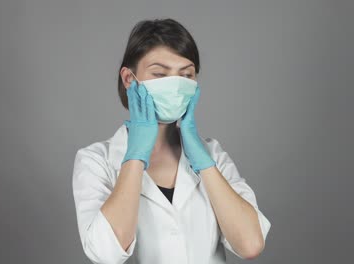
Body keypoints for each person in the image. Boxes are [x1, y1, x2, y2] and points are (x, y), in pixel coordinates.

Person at [72, 18, 271, 264]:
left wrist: (204, 163)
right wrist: (135, 156)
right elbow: (106, 253)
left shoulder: (212, 154)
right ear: (129, 78)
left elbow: (250, 244)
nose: (175, 85)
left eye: (186, 74)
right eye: (159, 73)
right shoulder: (95, 160)